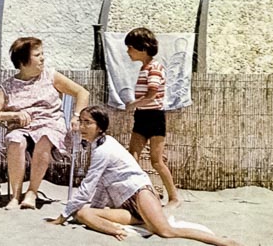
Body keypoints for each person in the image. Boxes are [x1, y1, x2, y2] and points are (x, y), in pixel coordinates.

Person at [47, 106, 241, 246]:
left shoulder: (104, 149)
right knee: (82, 213)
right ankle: (118, 229)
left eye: (87, 123)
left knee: (166, 231)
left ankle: (222, 242)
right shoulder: (97, 146)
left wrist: (63, 216)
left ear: (99, 127)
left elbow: (88, 185)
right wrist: (91, 212)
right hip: (125, 204)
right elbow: (100, 186)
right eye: (81, 122)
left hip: (140, 194)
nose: (82, 126)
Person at [0, 37, 89, 210]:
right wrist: (12, 115)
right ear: (23, 62)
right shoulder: (8, 87)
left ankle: (32, 192)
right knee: (15, 140)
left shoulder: (50, 76)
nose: (43, 58)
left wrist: (76, 116)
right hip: (23, 129)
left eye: (42, 54)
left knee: (45, 137)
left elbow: (82, 92)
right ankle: (15, 196)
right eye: (37, 55)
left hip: (51, 125)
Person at [124, 27, 180, 208]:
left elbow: (152, 94)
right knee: (132, 157)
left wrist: (133, 104)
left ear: (142, 48)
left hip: (154, 117)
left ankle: (174, 197)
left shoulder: (155, 68)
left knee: (156, 161)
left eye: (130, 47)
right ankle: (143, 193)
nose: (128, 52)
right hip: (142, 116)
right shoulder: (144, 68)